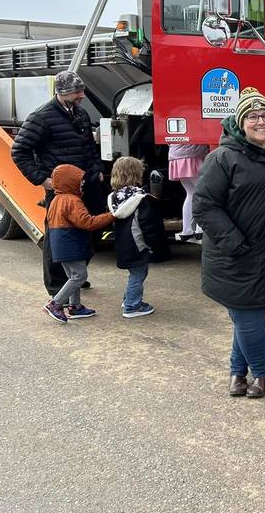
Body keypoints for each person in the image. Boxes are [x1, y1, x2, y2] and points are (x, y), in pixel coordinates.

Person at [192, 87, 265, 399]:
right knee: (249, 318)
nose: (261, 121)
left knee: (246, 316)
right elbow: (203, 205)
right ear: (240, 122)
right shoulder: (223, 158)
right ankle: (261, 373)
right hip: (237, 255)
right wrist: (236, 242)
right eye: (253, 116)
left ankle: (236, 372)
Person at [11, 70, 106, 296]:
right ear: (63, 93)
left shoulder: (80, 114)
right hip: (62, 190)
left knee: (88, 231)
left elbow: (89, 148)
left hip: (87, 184)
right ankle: (56, 287)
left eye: (82, 90)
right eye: (77, 92)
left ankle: (76, 276)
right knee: (58, 237)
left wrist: (98, 171)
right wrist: (42, 180)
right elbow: (19, 151)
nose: (82, 95)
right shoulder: (41, 117)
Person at [43, 164, 115, 323]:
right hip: (71, 245)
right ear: (70, 182)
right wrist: (111, 216)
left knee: (72, 276)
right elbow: (87, 222)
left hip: (59, 247)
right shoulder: (73, 201)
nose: (82, 183)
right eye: (79, 180)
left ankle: (75, 306)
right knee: (80, 276)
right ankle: (55, 304)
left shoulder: (56, 199)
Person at [107, 156, 169, 318]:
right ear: (136, 174)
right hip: (138, 243)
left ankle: (129, 298)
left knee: (135, 271)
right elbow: (148, 225)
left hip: (123, 243)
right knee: (138, 273)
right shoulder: (141, 198)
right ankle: (132, 306)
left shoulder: (114, 197)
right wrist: (154, 245)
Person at [168, 143, 209, 243]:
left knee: (190, 193)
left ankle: (187, 230)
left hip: (176, 155)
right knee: (202, 192)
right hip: (193, 154)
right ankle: (200, 228)